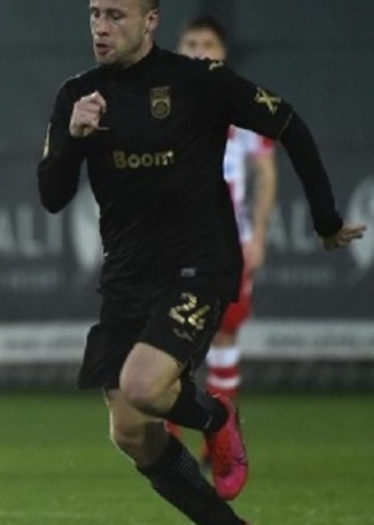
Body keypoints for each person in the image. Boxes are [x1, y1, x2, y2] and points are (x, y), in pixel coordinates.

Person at [37, 0, 365, 524]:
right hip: (126, 276)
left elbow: (288, 123)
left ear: (150, 20)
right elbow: (52, 196)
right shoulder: (78, 95)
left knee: (144, 386)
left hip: (198, 264)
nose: (101, 26)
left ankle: (216, 416)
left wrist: (326, 219)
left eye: (116, 15)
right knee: (130, 432)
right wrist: (73, 141)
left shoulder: (198, 81)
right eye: (95, 13)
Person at [169, 16, 278, 458]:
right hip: (172, 242)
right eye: (191, 42)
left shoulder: (243, 104)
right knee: (167, 338)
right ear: (178, 49)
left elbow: (265, 171)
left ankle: (220, 441)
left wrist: (259, 236)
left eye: (207, 43)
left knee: (225, 336)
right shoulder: (161, 103)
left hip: (229, 242)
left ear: (223, 52)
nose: (199, 50)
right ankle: (168, 441)